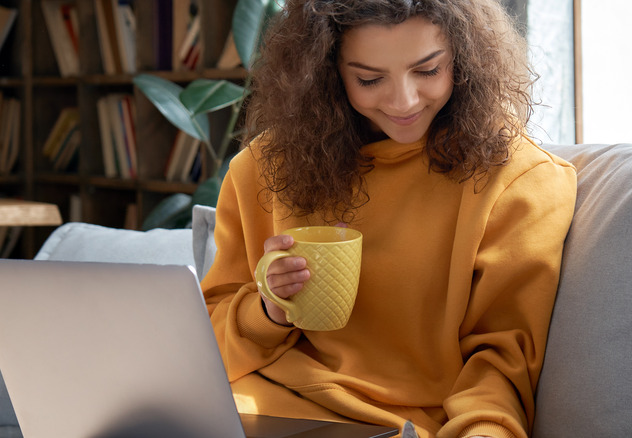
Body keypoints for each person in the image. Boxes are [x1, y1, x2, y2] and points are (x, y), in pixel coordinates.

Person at [200, 0, 577, 437]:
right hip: (251, 406)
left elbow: (501, 366)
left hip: (397, 426)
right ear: (325, 71)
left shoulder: (520, 181)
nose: (404, 100)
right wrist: (268, 310)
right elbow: (202, 340)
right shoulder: (264, 167)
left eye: (429, 70)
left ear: (465, 56)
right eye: (369, 78)